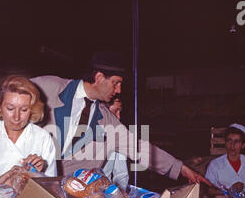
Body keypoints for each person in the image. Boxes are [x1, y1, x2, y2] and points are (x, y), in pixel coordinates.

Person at [31, 51, 210, 186]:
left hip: (61, 192)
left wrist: (182, 170)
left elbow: (139, 147)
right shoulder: (49, 88)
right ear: (99, 77)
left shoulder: (107, 120)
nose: (119, 90)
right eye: (116, 82)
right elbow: (9, 95)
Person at [205, 123, 245, 190]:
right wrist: (230, 190)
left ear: (243, 145)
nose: (232, 145)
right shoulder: (215, 165)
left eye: (236, 141)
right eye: (229, 140)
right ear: (225, 142)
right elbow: (208, 190)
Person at [102, 96, 129, 190]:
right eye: (116, 111)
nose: (119, 116)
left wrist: (120, 195)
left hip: (102, 194)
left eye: (120, 112)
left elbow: (121, 174)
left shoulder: (117, 136)